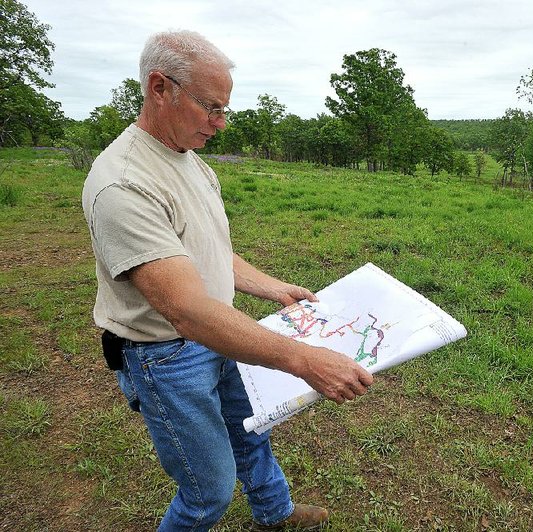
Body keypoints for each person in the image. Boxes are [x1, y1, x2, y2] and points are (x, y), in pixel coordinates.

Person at [81, 30, 373, 531]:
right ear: (159, 87)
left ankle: (274, 511)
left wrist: (272, 288)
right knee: (207, 491)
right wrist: (306, 360)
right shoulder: (123, 183)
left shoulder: (188, 160)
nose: (220, 124)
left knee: (251, 428)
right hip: (166, 355)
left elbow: (208, 251)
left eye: (224, 109)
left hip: (219, 332)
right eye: (210, 107)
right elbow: (186, 310)